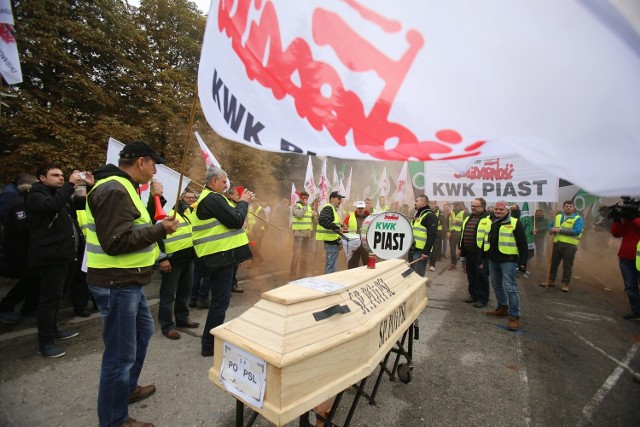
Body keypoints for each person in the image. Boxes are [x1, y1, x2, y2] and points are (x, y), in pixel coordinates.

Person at [86, 141, 179, 427]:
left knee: (142, 331)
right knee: (120, 354)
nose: (154, 172)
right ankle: (115, 420)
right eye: (154, 165)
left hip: (128, 280)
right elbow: (115, 243)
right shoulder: (115, 188)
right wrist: (158, 230)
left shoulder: (122, 186)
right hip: (117, 283)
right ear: (141, 161)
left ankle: (127, 389)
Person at [27, 163, 90, 358]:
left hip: (66, 255)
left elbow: (80, 204)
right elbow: (50, 207)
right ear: (42, 178)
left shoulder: (59, 194)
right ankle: (45, 342)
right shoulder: (37, 195)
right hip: (50, 257)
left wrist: (84, 186)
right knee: (49, 300)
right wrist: (70, 185)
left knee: (58, 296)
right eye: (55, 175)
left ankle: (53, 330)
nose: (61, 178)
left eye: (63, 175)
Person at [191, 166, 253, 357]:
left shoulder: (210, 198)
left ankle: (210, 341)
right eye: (224, 181)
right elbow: (235, 220)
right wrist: (243, 202)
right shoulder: (213, 198)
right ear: (214, 181)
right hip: (219, 256)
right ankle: (210, 344)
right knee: (220, 301)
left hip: (217, 256)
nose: (227, 185)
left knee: (219, 300)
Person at [156, 190, 200, 340]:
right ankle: (167, 325)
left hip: (188, 258)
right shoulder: (164, 211)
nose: (190, 199)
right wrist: (162, 258)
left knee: (184, 291)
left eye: (192, 197)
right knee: (168, 295)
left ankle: (182, 318)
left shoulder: (185, 211)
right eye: (188, 197)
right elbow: (156, 238)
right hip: (172, 260)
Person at [0, 174, 40, 325]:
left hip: (27, 248)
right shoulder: (19, 204)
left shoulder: (24, 202)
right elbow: (24, 228)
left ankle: (29, 308)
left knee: (35, 278)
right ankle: (6, 307)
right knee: (29, 278)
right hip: (19, 250)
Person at [484, 201, 528, 331]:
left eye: (501, 210)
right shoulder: (492, 222)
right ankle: (502, 307)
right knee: (496, 285)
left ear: (507, 211)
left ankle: (514, 317)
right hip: (493, 259)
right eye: (496, 209)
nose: (498, 211)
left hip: (508, 260)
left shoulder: (515, 222)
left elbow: (522, 244)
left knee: (510, 288)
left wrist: (523, 263)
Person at [541, 200, 584, 292]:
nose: (568, 208)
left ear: (573, 208)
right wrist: (551, 230)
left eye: (570, 206)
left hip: (570, 245)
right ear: (563, 207)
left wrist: (559, 230)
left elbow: (576, 231)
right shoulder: (558, 216)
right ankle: (550, 280)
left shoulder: (578, 219)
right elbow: (550, 227)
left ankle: (565, 284)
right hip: (556, 243)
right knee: (553, 263)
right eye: (566, 206)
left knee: (567, 265)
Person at [459, 198, 492, 308]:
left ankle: (483, 298)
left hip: (482, 254)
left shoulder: (489, 218)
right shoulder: (469, 217)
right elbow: (463, 233)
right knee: (471, 275)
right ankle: (473, 295)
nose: (472, 207)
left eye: (475, 206)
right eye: (472, 205)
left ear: (482, 207)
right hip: (469, 252)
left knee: (482, 276)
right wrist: (461, 247)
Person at [610, 209, 640, 320]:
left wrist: (634, 218)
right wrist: (617, 219)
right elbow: (617, 233)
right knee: (630, 287)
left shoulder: (634, 218)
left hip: (637, 258)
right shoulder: (630, 218)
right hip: (627, 256)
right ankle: (637, 311)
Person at [316, 191, 349, 273]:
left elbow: (331, 221)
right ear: (332, 198)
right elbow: (322, 220)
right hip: (330, 241)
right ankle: (328, 283)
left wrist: (341, 226)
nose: (340, 201)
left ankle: (329, 281)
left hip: (332, 241)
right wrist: (337, 228)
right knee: (331, 265)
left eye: (341, 199)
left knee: (331, 264)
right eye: (338, 198)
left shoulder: (332, 209)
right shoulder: (328, 207)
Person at [409, 195, 438, 277]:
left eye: (417, 201)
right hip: (413, 250)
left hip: (421, 252)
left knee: (417, 276)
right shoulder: (418, 215)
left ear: (423, 202)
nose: (415, 203)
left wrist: (426, 252)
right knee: (411, 275)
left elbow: (432, 235)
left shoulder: (430, 216)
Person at [226, 186, 246, 293]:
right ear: (231, 195)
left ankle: (232, 284)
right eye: (238, 195)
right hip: (230, 240)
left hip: (237, 239)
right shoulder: (228, 205)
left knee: (236, 264)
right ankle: (229, 286)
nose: (240, 197)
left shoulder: (237, 204)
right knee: (231, 265)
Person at [290, 190, 314, 278]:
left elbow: (312, 218)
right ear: (301, 197)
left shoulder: (308, 207)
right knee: (297, 254)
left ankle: (302, 273)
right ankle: (292, 273)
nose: (306, 199)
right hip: (299, 234)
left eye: (307, 198)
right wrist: (304, 206)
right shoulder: (296, 205)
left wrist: (314, 215)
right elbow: (299, 215)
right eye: (304, 198)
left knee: (305, 254)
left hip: (307, 234)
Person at [342, 200, 370, 269]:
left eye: (362, 208)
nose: (360, 210)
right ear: (356, 208)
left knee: (367, 266)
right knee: (352, 266)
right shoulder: (350, 216)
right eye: (359, 208)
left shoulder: (370, 217)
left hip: (366, 244)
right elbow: (343, 226)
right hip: (353, 244)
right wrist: (344, 227)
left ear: (365, 208)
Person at [447, 201, 466, 270]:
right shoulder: (450, 213)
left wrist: (457, 222)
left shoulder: (464, 213)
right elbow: (446, 223)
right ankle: (453, 264)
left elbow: (466, 223)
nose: (455, 207)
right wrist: (447, 231)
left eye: (456, 205)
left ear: (460, 206)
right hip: (452, 234)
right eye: (454, 205)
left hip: (460, 234)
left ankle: (464, 265)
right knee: (452, 250)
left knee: (462, 251)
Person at [428, 200, 443, 272]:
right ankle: (426, 262)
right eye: (430, 203)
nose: (431, 205)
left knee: (434, 250)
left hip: (436, 234)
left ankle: (432, 264)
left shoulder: (440, 212)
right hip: (427, 233)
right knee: (426, 249)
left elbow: (441, 221)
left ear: (435, 204)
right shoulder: (426, 211)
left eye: (433, 203)